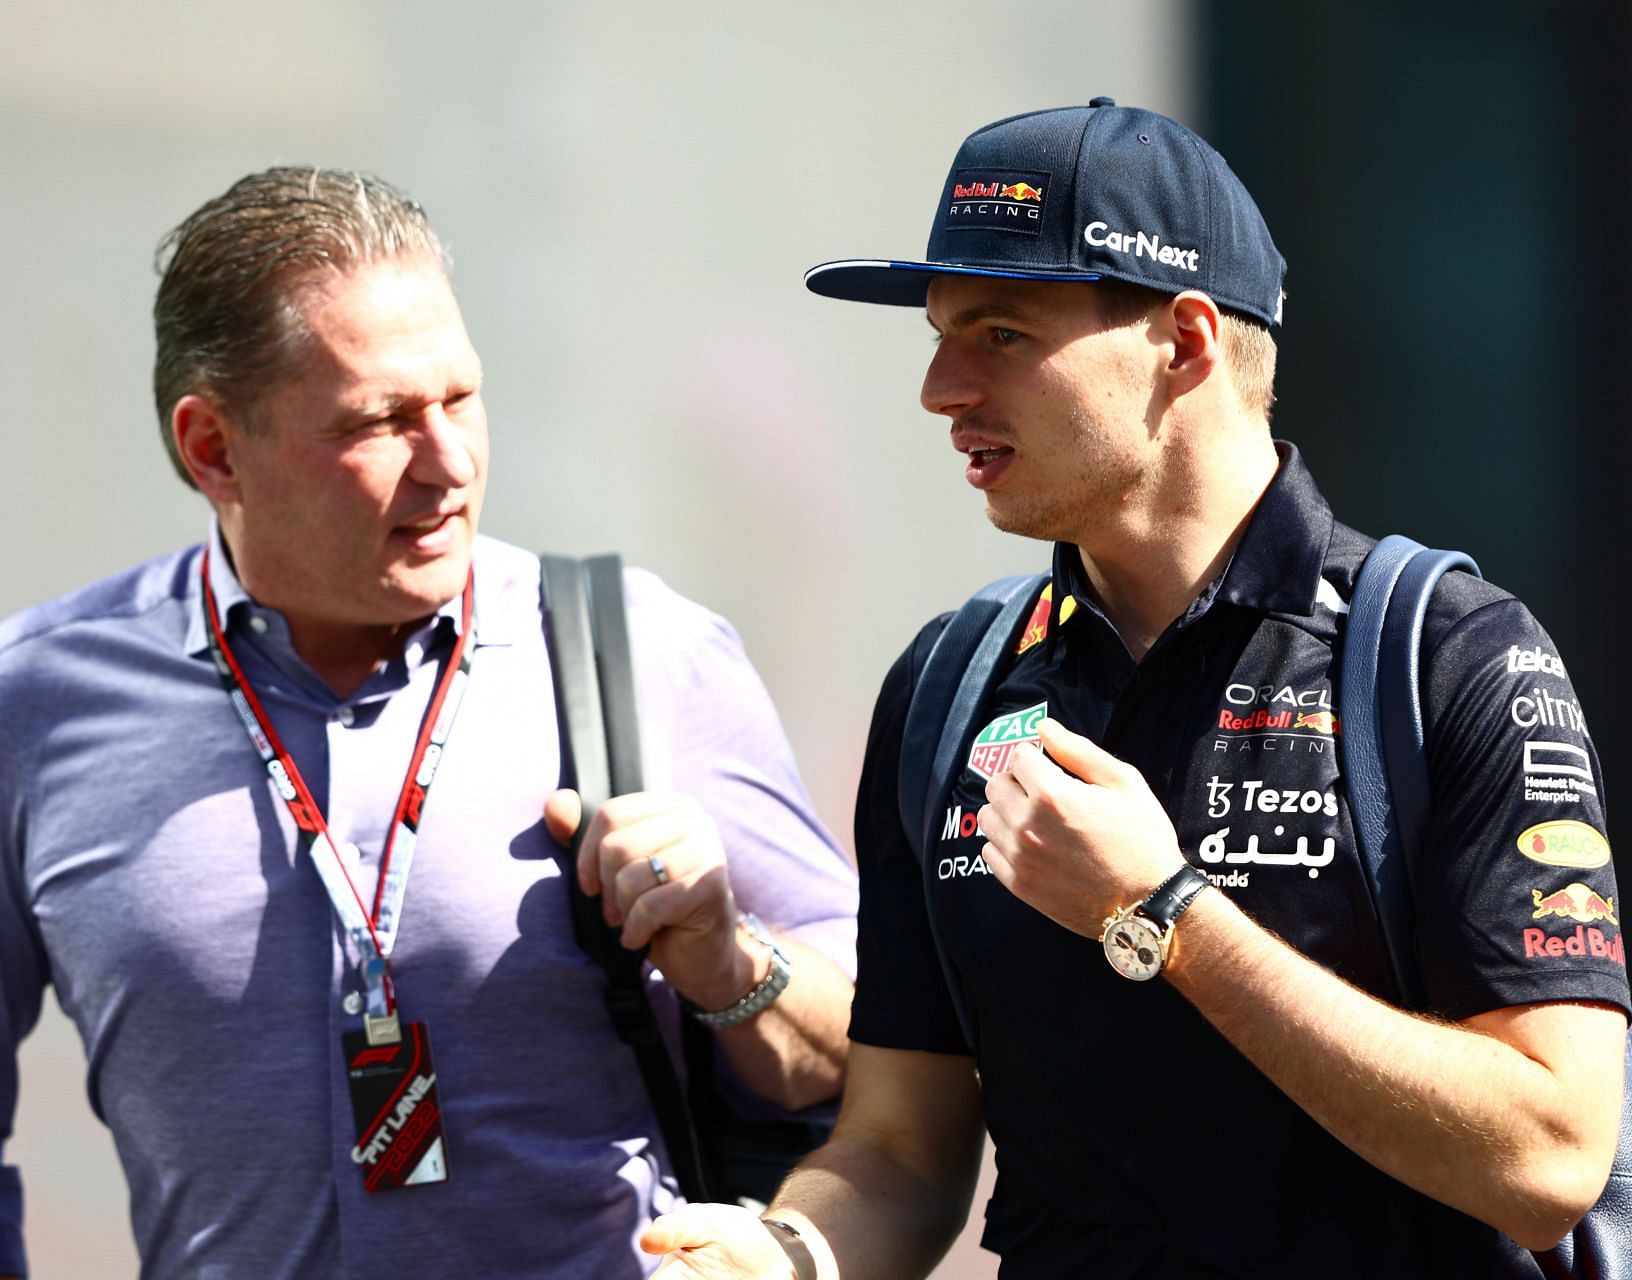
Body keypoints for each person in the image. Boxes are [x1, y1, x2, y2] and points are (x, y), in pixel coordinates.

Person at [641, 98, 1628, 1278]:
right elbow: (902, 1152)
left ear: (1188, 341)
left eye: (1000, 332)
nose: (940, 387)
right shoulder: (953, 683)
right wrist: (790, 1251)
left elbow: (1551, 1155)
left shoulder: (1444, 655)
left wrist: (1165, 912)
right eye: (942, 332)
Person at [0, 168, 859, 1280]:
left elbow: (878, 1057)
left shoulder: (644, 655)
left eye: (461, 399)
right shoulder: (25, 709)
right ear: (213, 448)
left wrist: (726, 960)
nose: (452, 464)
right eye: (382, 420)